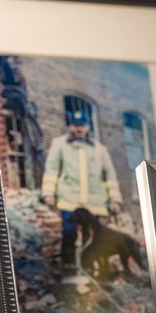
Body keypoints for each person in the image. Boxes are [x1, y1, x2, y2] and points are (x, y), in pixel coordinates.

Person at [40, 106, 122, 276]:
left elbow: (110, 175)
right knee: (69, 233)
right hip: (70, 199)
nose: (79, 128)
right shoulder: (60, 144)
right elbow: (52, 169)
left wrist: (115, 199)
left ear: (88, 127)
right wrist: (49, 192)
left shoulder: (100, 149)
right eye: (75, 125)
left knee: (91, 238)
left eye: (82, 125)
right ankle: (68, 269)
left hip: (94, 202)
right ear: (70, 126)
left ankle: (89, 269)